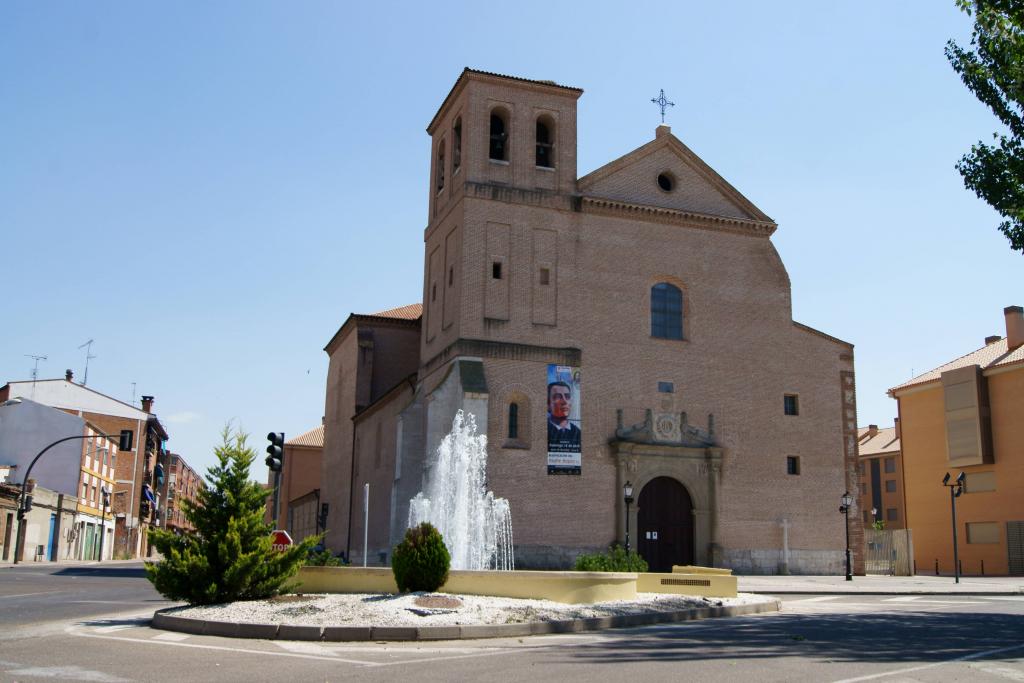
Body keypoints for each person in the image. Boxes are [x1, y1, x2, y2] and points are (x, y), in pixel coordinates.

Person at [547, 381, 581, 449]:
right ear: (548, 404)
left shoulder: (578, 433)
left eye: (567, 396)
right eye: (557, 397)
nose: (565, 401)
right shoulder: (542, 430)